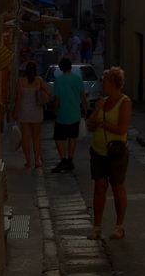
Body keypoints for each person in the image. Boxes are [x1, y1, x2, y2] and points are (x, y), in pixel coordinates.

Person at [86, 67, 132, 240]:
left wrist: (101, 123)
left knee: (117, 187)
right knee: (99, 188)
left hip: (116, 151)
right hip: (98, 150)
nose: (101, 84)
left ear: (113, 83)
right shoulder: (102, 101)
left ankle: (119, 226)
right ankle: (97, 227)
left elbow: (121, 129)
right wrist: (97, 112)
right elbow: (91, 126)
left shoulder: (124, 102)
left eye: (104, 81)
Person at [50, 56, 87, 173]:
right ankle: (70, 160)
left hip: (62, 114)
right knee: (72, 137)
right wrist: (85, 109)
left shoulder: (59, 81)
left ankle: (63, 160)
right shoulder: (78, 79)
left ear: (61, 68)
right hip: (75, 113)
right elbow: (83, 96)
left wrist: (55, 110)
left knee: (58, 138)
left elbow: (56, 98)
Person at [14, 60, 50, 171]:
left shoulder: (20, 81)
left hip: (24, 111)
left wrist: (15, 112)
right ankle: (37, 161)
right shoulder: (38, 80)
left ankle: (28, 161)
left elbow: (19, 98)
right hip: (36, 111)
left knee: (25, 137)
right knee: (36, 137)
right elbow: (48, 92)